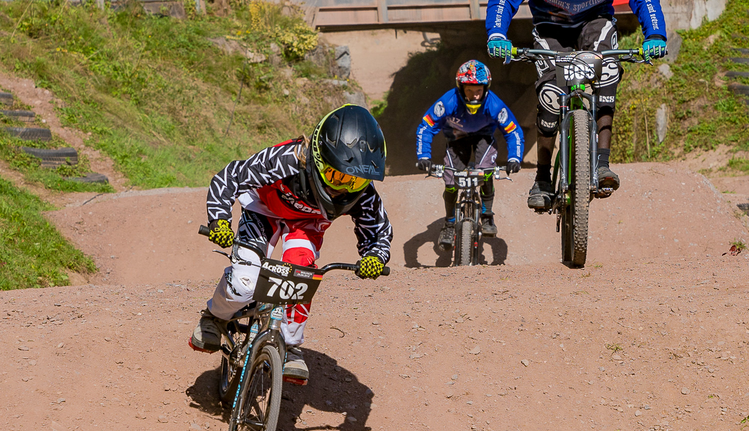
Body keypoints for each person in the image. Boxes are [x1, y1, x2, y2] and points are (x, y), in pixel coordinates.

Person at [484, 0, 668, 211]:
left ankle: (602, 163)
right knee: (550, 97)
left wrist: (655, 34)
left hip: (595, 22)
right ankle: (542, 178)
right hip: (550, 28)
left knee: (608, 71)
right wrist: (497, 34)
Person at [189, 104, 392, 385]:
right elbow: (231, 176)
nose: (344, 188)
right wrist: (219, 220)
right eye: (338, 176)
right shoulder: (286, 159)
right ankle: (214, 317)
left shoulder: (364, 194)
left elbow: (378, 230)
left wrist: (375, 257)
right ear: (319, 158)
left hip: (307, 224)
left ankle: (291, 345)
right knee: (245, 283)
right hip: (263, 210)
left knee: (301, 275)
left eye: (355, 182)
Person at [416, 60, 524, 248]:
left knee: (486, 171)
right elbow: (426, 127)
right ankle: (449, 223)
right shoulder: (448, 101)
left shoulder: (494, 104)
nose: (474, 95)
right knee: (450, 180)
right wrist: (423, 157)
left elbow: (513, 131)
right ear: (460, 88)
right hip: (457, 137)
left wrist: (514, 158)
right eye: (469, 90)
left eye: (478, 90)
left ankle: (487, 215)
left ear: (486, 88)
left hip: (484, 136)